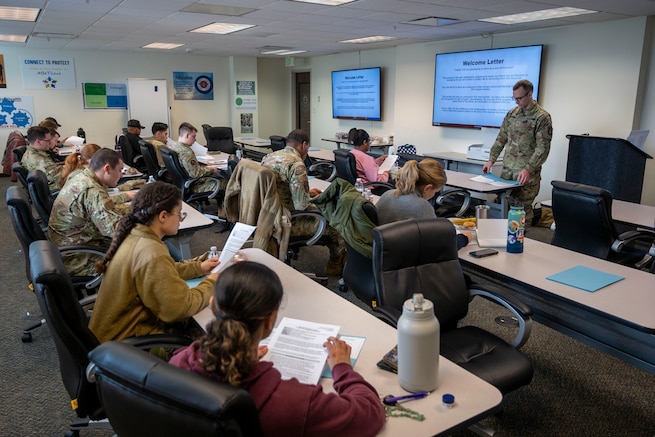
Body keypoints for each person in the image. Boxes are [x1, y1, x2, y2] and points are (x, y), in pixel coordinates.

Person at [169, 261, 386, 437]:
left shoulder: (178, 364)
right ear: (270, 321)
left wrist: (244, 354)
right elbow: (369, 414)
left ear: (213, 306)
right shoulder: (292, 403)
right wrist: (342, 368)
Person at [89, 181, 219, 344]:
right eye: (179, 214)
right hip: (129, 350)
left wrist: (198, 267)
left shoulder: (135, 235)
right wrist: (213, 283)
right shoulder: (151, 251)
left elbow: (163, 271)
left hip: (110, 343)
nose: (181, 219)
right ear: (163, 216)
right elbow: (180, 308)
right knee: (215, 344)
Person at [261, 129, 346, 275]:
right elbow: (302, 206)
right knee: (336, 221)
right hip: (288, 221)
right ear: (304, 145)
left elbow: (279, 189)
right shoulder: (297, 164)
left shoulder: (269, 157)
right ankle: (335, 264)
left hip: (267, 216)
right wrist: (323, 203)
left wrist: (307, 193)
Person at [48, 148, 135, 275]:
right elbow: (114, 230)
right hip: (76, 259)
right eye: (120, 170)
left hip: (64, 249)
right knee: (139, 264)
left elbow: (105, 207)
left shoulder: (81, 177)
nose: (121, 175)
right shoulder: (92, 191)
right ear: (107, 169)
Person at [481, 79, 552, 223]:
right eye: (514, 98)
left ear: (529, 94)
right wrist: (491, 160)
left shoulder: (542, 117)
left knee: (522, 211)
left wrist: (528, 169)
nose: (516, 101)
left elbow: (542, 148)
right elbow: (501, 138)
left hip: (525, 175)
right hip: (507, 173)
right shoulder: (512, 114)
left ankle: (524, 241)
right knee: (504, 208)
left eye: (519, 98)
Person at [376, 159, 471, 249]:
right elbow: (439, 248)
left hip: (383, 254)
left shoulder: (387, 195)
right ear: (427, 188)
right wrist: (463, 239)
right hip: (405, 258)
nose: (434, 195)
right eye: (436, 191)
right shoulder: (422, 206)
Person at [169, 122, 222, 193]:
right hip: (194, 185)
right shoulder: (187, 152)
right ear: (187, 135)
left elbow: (190, 168)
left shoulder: (174, 146)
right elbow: (195, 174)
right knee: (225, 183)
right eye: (193, 136)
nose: (195, 140)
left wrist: (205, 167)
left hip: (181, 184)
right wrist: (212, 169)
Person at [21, 125, 62, 191]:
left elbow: (52, 169)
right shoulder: (39, 160)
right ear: (38, 142)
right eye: (48, 140)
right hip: (55, 190)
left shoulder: (31, 153)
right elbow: (59, 177)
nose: (50, 143)